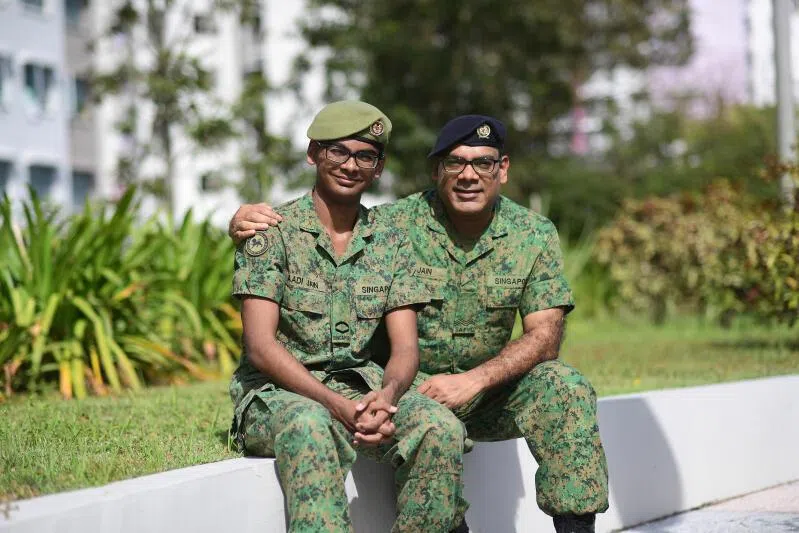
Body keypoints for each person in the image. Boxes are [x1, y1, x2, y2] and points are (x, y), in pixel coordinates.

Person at [230, 114, 609, 533]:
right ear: (436, 170)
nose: (468, 176)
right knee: (429, 428)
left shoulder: (533, 234)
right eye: (455, 163)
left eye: (482, 163)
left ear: (502, 169)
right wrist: (243, 222)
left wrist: (474, 381)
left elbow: (545, 336)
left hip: (484, 390)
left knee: (566, 388)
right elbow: (331, 219)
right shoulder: (395, 226)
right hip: (407, 388)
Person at [229, 101, 469, 533]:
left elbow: (405, 347)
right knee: (310, 426)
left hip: (362, 391)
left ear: (379, 167)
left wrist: (389, 395)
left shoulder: (391, 241)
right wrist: (335, 405)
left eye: (365, 155)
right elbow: (261, 347)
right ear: (313, 154)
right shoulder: (271, 233)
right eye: (338, 151)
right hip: (279, 395)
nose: (350, 165)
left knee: (437, 426)